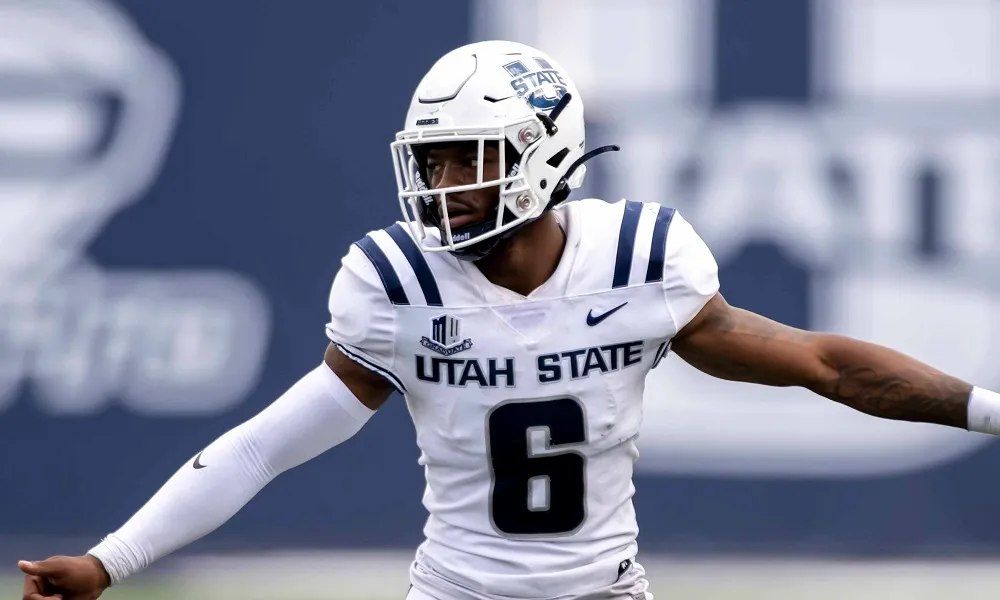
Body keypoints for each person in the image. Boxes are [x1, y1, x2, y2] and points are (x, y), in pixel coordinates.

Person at [18, 40, 1000, 600]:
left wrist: (990, 411)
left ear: (541, 155)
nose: (441, 184)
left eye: (464, 158)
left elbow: (824, 364)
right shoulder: (396, 280)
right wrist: (114, 560)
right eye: (432, 161)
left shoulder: (638, 261)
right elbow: (262, 448)